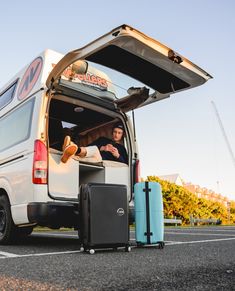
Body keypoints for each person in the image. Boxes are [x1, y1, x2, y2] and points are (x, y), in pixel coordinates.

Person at [61, 123, 128, 164]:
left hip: (99, 160)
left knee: (94, 150)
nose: (116, 134)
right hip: (89, 157)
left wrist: (117, 156)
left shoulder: (122, 148)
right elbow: (88, 147)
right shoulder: (103, 139)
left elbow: (126, 164)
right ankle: (68, 154)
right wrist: (102, 148)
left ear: (122, 135)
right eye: (115, 132)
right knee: (81, 156)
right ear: (112, 132)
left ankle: (72, 148)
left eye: (119, 133)